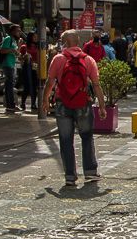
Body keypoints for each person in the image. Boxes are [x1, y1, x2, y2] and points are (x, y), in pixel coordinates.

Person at [41, 30, 106, 187]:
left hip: (63, 103)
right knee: (87, 137)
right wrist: (102, 106)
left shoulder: (58, 59)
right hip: (83, 103)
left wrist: (45, 100)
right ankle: (90, 172)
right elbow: (96, 85)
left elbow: (50, 82)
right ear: (78, 42)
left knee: (65, 140)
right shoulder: (88, 60)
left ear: (64, 43)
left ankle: (70, 176)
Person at [0, 24, 22, 113]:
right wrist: (12, 50)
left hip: (12, 64)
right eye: (17, 31)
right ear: (12, 31)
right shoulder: (8, 39)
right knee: (9, 85)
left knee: (11, 85)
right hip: (7, 64)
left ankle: (12, 105)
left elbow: (17, 53)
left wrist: (19, 46)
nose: (19, 32)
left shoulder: (14, 41)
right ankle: (10, 105)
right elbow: (2, 50)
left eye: (20, 31)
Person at [19, 31, 39, 111]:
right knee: (27, 86)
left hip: (35, 68)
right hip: (27, 68)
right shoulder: (24, 47)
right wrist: (25, 57)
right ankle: (23, 103)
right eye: (34, 37)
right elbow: (20, 57)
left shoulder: (38, 46)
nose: (36, 38)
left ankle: (33, 104)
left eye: (36, 37)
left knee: (34, 86)